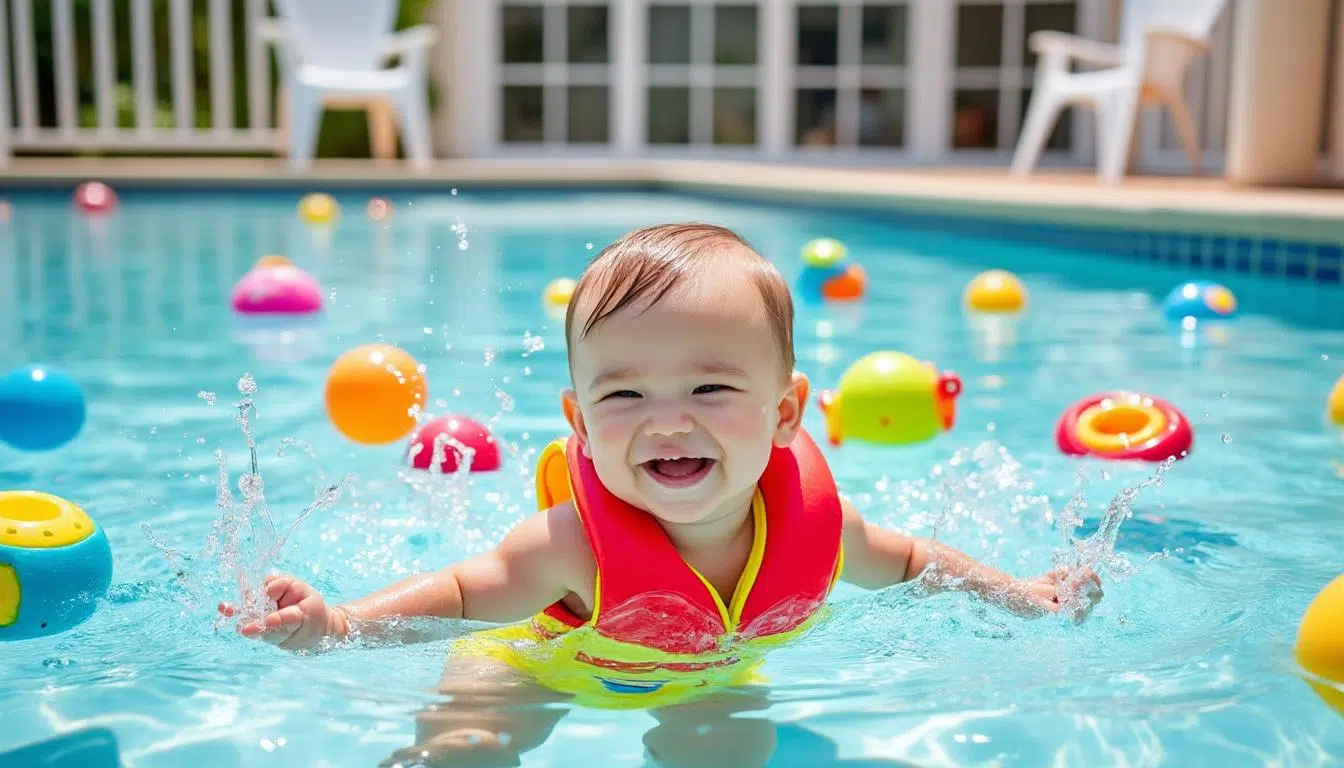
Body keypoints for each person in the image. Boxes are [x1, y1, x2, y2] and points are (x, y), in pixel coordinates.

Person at [221, 223, 1102, 767]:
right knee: (470, 749)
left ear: (786, 413)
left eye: (710, 389)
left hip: (709, 673)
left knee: (733, 752)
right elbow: (458, 593)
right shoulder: (568, 545)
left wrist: (1022, 595)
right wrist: (339, 625)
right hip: (534, 667)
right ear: (579, 421)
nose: (668, 422)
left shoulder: (821, 532)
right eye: (625, 395)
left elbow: (915, 565)